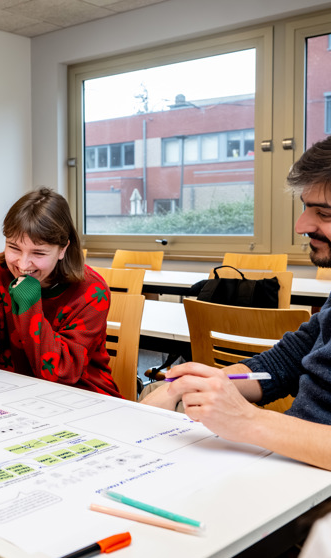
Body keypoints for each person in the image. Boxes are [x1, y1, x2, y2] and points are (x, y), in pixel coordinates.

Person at [141, 135, 331, 471]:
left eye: (324, 213)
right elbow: (290, 358)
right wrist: (208, 386)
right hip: (295, 464)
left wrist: (248, 422)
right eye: (305, 207)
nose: (301, 225)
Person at [0, 188, 121, 397]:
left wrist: (28, 302)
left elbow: (61, 372)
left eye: (38, 253)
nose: (23, 264)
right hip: (15, 389)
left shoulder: (91, 291)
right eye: (14, 248)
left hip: (82, 394)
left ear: (63, 249)